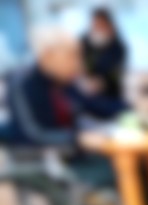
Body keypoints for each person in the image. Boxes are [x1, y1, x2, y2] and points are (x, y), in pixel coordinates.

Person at [5, 26, 126, 187]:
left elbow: (93, 105)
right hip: (47, 163)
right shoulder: (22, 84)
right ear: (48, 55)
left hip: (76, 155)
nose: (78, 64)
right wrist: (78, 139)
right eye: (72, 55)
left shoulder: (64, 81)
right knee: (124, 170)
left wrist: (134, 108)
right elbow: (32, 134)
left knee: (132, 163)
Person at [81, 8, 127, 102]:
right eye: (96, 25)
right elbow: (80, 66)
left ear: (109, 26)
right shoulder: (84, 43)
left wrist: (102, 82)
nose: (98, 28)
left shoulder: (118, 47)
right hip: (87, 94)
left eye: (102, 25)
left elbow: (116, 73)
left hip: (111, 94)